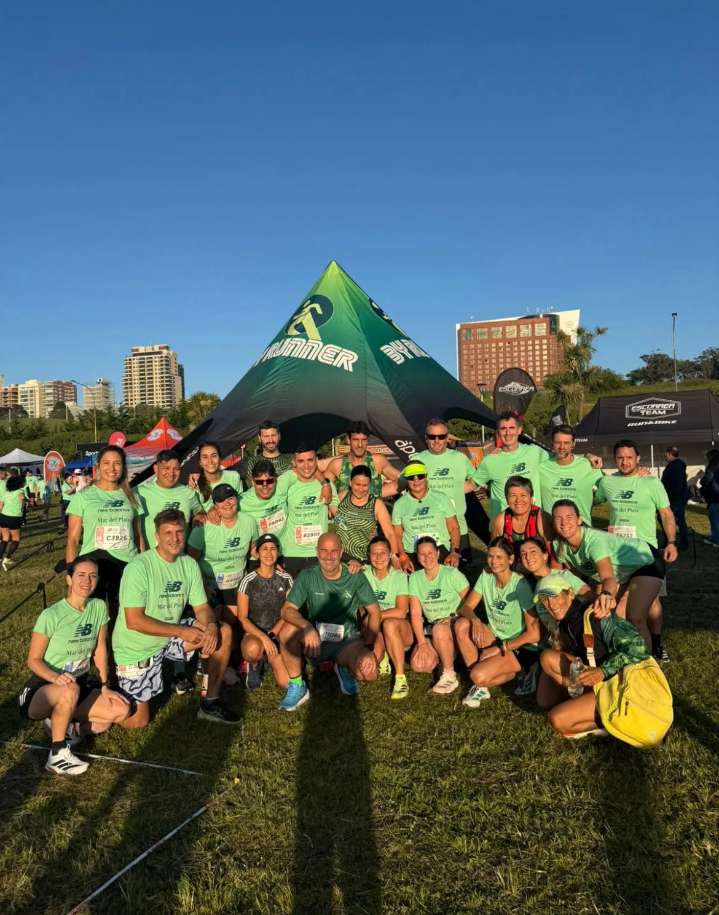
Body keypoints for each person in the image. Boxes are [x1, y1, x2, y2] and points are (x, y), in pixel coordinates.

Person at [113, 509, 239, 727]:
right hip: (137, 648)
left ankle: (210, 703)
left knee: (223, 631)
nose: (174, 538)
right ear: (157, 536)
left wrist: (210, 624)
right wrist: (180, 631)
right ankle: (92, 704)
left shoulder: (189, 564)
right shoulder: (139, 567)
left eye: (179, 532)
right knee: (137, 721)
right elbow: (134, 620)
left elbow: (201, 607)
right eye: (167, 533)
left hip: (169, 636)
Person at [17, 557, 130, 775]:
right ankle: (57, 755)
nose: (87, 581)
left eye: (92, 575)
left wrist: (105, 684)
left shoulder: (98, 607)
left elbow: (100, 650)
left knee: (120, 710)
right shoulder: (51, 615)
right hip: (42, 689)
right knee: (69, 688)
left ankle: (67, 725)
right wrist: (55, 678)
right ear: (69, 580)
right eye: (81, 575)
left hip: (77, 685)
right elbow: (33, 660)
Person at [535, 573, 651, 740]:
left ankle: (615, 720)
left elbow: (639, 648)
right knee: (545, 689)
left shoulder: (596, 615)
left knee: (558, 720)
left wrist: (603, 671)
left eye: (555, 596)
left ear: (570, 594)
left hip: (618, 685)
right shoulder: (566, 622)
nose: (551, 604)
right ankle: (582, 701)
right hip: (595, 680)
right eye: (544, 599)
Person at [277, 532, 381, 711]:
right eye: (324, 551)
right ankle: (298, 686)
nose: (329, 556)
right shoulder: (307, 575)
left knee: (370, 674)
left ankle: (343, 667)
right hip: (315, 640)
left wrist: (368, 647)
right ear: (317, 553)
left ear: (341, 553)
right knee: (287, 631)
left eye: (334, 551)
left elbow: (375, 612)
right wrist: (307, 627)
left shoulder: (354, 575)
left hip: (347, 641)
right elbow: (287, 610)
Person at [595, 439, 677, 661]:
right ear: (615, 459)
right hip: (617, 554)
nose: (624, 461)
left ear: (638, 458)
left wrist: (671, 542)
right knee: (622, 605)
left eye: (629, 457)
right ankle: (627, 649)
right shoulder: (607, 483)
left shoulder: (651, 483)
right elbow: (593, 499)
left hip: (646, 554)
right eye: (620, 457)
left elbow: (667, 514)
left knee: (652, 603)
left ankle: (656, 644)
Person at [551, 499, 663, 649]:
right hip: (622, 572)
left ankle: (650, 659)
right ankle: (624, 656)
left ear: (579, 520)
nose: (564, 522)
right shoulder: (559, 545)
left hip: (645, 561)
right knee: (615, 617)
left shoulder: (594, 541)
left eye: (569, 517)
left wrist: (606, 594)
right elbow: (572, 574)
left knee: (635, 617)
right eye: (558, 518)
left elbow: (608, 578)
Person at [455, 538, 540, 707]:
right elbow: (465, 608)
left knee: (479, 676)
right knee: (461, 625)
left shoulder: (520, 585)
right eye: (490, 556)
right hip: (495, 636)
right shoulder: (486, 575)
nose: (494, 561)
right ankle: (484, 683)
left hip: (519, 645)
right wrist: (476, 620)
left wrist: (502, 647)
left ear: (510, 559)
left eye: (500, 557)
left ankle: (524, 669)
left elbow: (535, 633)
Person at [65, 445, 144, 615]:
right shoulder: (83, 496)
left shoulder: (132, 496)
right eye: (106, 463)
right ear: (98, 466)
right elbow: (72, 539)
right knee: (93, 613)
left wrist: (144, 564)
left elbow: (138, 535)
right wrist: (71, 571)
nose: (112, 468)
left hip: (126, 562)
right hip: (94, 563)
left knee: (123, 613)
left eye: (117, 463)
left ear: (123, 467)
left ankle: (115, 642)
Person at [415, 416, 489, 564]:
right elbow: (406, 487)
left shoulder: (459, 458)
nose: (437, 440)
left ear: (447, 438)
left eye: (441, 436)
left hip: (458, 527)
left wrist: (460, 489)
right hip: (430, 527)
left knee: (460, 576)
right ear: (426, 438)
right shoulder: (417, 460)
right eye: (432, 436)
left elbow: (475, 480)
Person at [407, 536, 471, 695]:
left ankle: (449, 675)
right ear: (417, 556)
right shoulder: (415, 578)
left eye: (430, 552)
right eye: (422, 554)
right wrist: (421, 643)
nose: (427, 557)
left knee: (440, 629)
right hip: (432, 626)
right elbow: (415, 614)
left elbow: (471, 602)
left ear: (437, 553)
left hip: (454, 623)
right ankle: (448, 656)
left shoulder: (452, 573)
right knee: (419, 665)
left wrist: (452, 617)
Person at [187, 484, 258, 618]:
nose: (227, 503)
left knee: (236, 617)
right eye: (221, 500)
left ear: (237, 499)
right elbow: (190, 561)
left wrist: (271, 562)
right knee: (218, 620)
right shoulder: (202, 526)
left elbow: (254, 552)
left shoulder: (249, 522)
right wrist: (203, 586)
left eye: (230, 498)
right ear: (215, 505)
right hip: (210, 586)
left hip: (237, 584)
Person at [237, 533, 293, 690]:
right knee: (253, 648)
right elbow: (243, 618)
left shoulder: (286, 579)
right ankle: (254, 663)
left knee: (286, 683)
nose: (269, 553)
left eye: (273, 549)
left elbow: (289, 612)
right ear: (258, 553)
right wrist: (264, 638)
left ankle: (269, 659)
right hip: (255, 634)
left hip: (277, 633)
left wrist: (272, 636)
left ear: (278, 552)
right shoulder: (248, 581)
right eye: (264, 549)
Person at [471, 412, 550, 519]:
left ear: (519, 430)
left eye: (512, 428)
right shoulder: (490, 461)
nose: (508, 433)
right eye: (503, 428)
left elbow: (557, 466)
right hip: (503, 526)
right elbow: (470, 485)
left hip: (533, 522)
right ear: (498, 432)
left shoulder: (535, 452)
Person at [276, 444, 338, 579]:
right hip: (292, 554)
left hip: (319, 554)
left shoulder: (328, 485)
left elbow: (337, 515)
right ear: (294, 463)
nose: (306, 466)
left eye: (310, 460)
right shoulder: (287, 482)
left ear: (316, 460)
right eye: (301, 461)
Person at [363, 536, 411, 699]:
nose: (378, 558)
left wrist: (376, 615)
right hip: (375, 630)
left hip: (399, 630)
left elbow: (402, 611)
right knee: (369, 670)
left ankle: (400, 678)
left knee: (389, 624)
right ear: (369, 556)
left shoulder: (399, 576)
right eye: (374, 554)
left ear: (390, 554)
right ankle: (383, 655)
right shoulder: (364, 575)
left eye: (383, 553)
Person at [391, 461, 461, 572]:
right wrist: (403, 556)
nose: (416, 480)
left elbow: (454, 527)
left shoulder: (441, 498)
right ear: (406, 480)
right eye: (411, 477)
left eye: (420, 476)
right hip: (412, 554)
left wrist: (454, 552)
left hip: (440, 550)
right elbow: (397, 534)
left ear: (426, 477)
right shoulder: (399, 505)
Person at [135, 449, 204, 548]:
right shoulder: (139, 492)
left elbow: (199, 511)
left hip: (180, 558)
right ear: (155, 468)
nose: (171, 473)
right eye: (166, 468)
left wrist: (199, 515)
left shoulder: (188, 493)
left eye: (176, 469)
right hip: (151, 558)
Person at [332, 465, 399, 563]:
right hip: (341, 559)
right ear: (350, 483)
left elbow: (390, 534)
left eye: (365, 485)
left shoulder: (376, 504)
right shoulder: (341, 498)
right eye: (357, 484)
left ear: (370, 484)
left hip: (365, 561)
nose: (360, 489)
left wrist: (394, 557)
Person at [539, 425, 603, 523]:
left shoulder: (588, 466)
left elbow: (606, 490)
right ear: (552, 443)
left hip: (581, 528)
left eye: (566, 443)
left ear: (573, 444)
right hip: (550, 529)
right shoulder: (541, 467)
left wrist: (590, 501)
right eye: (558, 442)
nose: (562, 447)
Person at [322, 421, 400, 499]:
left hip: (373, 510)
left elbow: (403, 479)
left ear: (367, 441)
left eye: (363, 440)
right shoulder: (337, 464)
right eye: (356, 440)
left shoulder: (377, 461)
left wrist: (380, 492)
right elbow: (320, 489)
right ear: (348, 440)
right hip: (345, 510)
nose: (360, 445)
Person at [489, 475, 551, 562]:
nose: (518, 500)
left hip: (540, 568)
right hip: (514, 569)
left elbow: (555, 558)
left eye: (523, 495)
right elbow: (494, 555)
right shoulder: (500, 521)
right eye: (513, 495)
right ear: (507, 499)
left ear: (531, 498)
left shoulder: (543, 519)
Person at [238, 460, 288, 543]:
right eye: (259, 482)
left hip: (284, 552)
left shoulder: (282, 487)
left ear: (275, 480)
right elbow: (221, 504)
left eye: (269, 481)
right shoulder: (241, 501)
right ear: (253, 482)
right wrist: (213, 510)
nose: (265, 486)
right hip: (259, 553)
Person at [190, 441, 244, 511]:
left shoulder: (234, 476)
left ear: (220, 458)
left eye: (214, 456)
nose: (210, 461)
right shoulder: (194, 484)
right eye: (205, 457)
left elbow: (240, 503)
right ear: (200, 462)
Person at [242, 419, 294, 484]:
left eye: (273, 435)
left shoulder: (292, 459)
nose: (270, 440)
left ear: (279, 436)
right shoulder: (251, 462)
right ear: (259, 438)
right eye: (266, 436)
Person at [661, 447, 689, 551]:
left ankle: (671, 541)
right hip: (678, 498)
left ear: (669, 454)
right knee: (680, 521)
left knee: (666, 519)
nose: (665, 457)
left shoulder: (675, 466)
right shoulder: (677, 465)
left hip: (674, 499)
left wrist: (669, 499)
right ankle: (681, 542)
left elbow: (675, 485)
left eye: (666, 455)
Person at [0, 467, 25, 571]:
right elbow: (22, 499)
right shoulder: (20, 491)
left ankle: (0, 557)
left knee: (5, 538)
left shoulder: (6, 493)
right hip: (14, 518)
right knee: (16, 539)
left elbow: (1, 506)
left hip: (3, 517)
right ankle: (7, 558)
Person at [700, 449, 719, 547]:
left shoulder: (713, 466)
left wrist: (701, 482)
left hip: (715, 497)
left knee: (714, 519)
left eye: (707, 457)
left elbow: (707, 479)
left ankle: (716, 540)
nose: (706, 459)